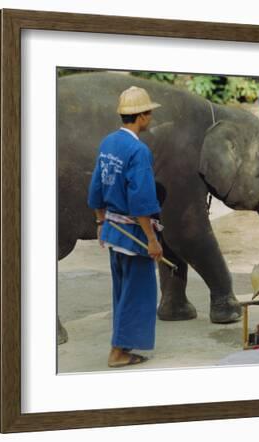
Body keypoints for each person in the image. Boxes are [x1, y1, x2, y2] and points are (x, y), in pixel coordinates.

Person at [88, 86, 163, 368]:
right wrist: (152, 240)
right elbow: (141, 200)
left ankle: (120, 346)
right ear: (142, 117)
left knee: (121, 292)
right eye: (149, 113)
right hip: (133, 236)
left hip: (112, 231)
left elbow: (96, 186)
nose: (150, 118)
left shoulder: (108, 143)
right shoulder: (138, 150)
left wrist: (100, 220)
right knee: (137, 295)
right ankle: (118, 352)